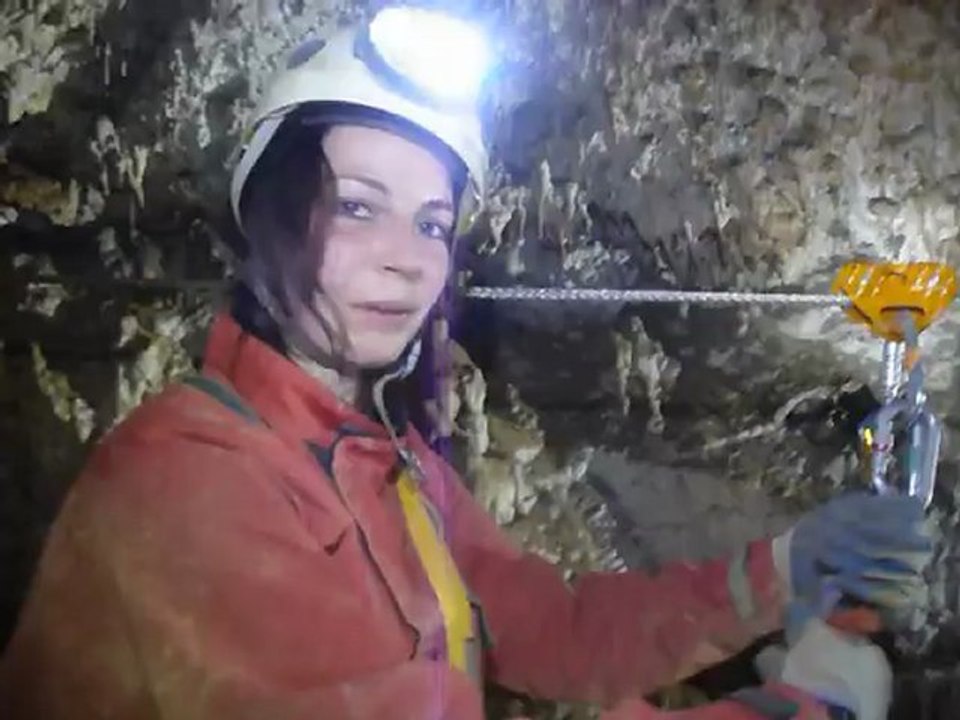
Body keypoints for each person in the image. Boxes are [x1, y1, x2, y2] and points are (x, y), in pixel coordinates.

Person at [0, 7, 933, 719]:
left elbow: (555, 630)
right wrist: (794, 709)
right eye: (358, 206)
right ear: (272, 217)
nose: (408, 256)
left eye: (434, 223)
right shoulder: (188, 482)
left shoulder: (389, 466)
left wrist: (780, 568)